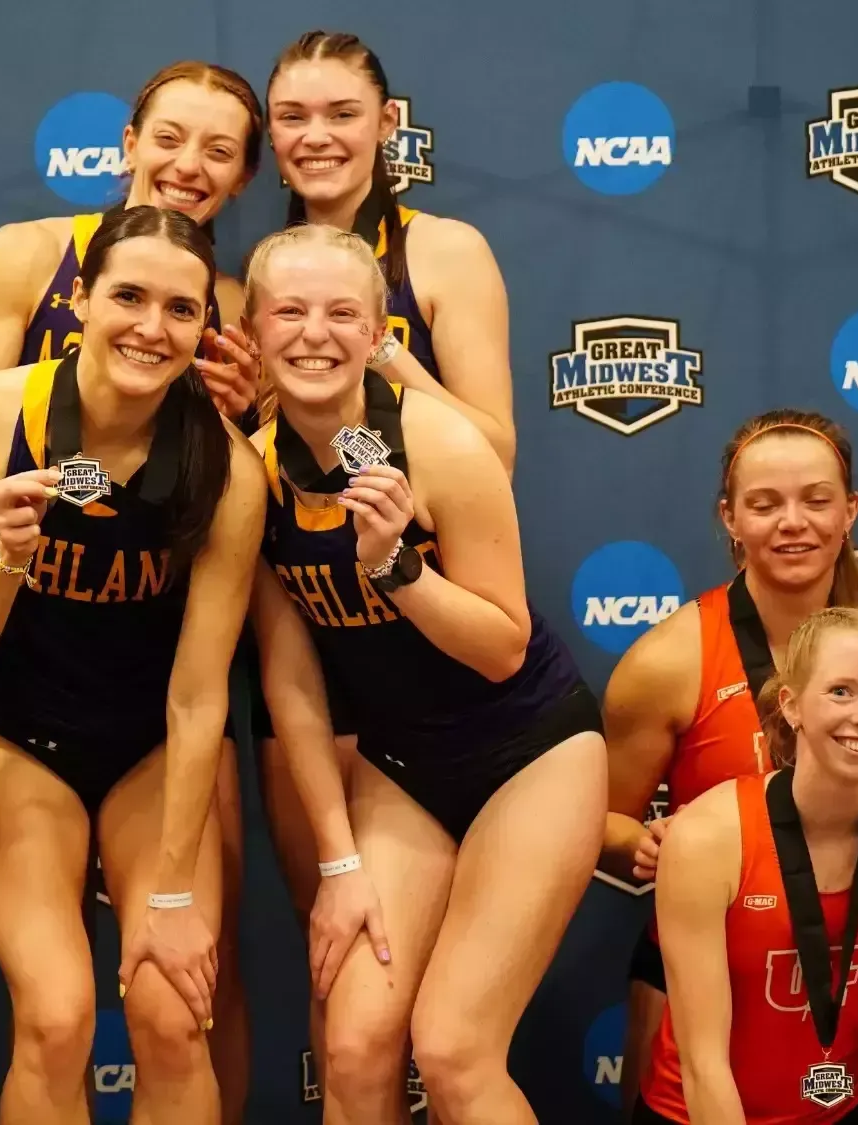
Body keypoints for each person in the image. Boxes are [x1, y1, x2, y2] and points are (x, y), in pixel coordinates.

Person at [0, 68, 266, 1117]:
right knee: (54, 1016)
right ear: (78, 300)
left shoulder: (228, 469)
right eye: (126, 297)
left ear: (206, 327)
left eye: (181, 309)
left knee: (174, 1011)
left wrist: (171, 893)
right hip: (14, 733)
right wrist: (4, 555)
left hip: (152, 744)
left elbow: (196, 692)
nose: (149, 326)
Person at [245, 222, 605, 1125]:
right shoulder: (248, 471)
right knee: (357, 1044)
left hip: (528, 751)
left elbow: (501, 645)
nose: (313, 334)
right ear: (252, 329)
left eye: (341, 313)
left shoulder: (439, 443)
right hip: (401, 764)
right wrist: (338, 860)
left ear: (377, 336)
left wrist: (395, 566)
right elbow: (291, 681)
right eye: (288, 311)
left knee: (452, 1047)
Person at [598, 410, 858, 1109]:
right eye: (765, 504)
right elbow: (599, 821)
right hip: (701, 979)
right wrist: (643, 844)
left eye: (816, 499)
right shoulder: (670, 659)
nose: (792, 522)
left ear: (851, 510)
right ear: (730, 518)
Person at [640, 608, 858, 1124]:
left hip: (842, 1109)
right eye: (841, 691)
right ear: (791, 706)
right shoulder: (707, 837)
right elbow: (704, 1066)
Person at [0, 60, 265, 415]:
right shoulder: (31, 252)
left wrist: (232, 420)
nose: (188, 165)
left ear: (242, 178)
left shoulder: (229, 304)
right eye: (168, 139)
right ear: (131, 145)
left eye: (218, 151)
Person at [261, 30, 514, 469]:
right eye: (293, 117)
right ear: (271, 131)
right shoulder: (266, 266)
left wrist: (380, 350)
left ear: (387, 121)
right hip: (297, 531)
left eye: (342, 115)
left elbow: (497, 456)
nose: (316, 136)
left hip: (423, 529)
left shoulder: (446, 251)